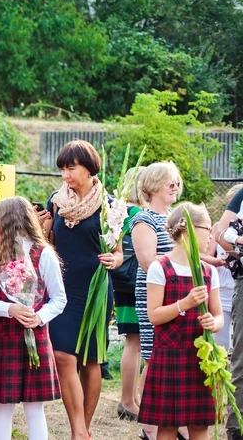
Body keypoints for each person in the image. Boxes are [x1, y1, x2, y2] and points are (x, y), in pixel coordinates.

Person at [37, 140, 122, 440]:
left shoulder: (110, 205)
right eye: (62, 169)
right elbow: (48, 243)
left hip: (95, 289)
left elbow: (120, 252)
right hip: (62, 288)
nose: (66, 176)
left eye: (71, 168)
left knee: (91, 360)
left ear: (89, 168)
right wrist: (41, 228)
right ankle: (77, 429)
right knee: (62, 355)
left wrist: (115, 258)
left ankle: (83, 430)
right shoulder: (56, 201)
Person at [0, 197, 66, 440]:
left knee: (34, 406)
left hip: (35, 338)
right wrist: (10, 309)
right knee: (2, 406)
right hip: (2, 338)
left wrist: (38, 317)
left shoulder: (44, 254)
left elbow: (59, 299)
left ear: (10, 222)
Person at [138, 203, 223, 440]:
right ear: (190, 230)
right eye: (208, 228)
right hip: (170, 357)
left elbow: (219, 317)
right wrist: (183, 304)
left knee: (200, 427)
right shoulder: (160, 268)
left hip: (200, 358)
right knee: (167, 426)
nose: (211, 235)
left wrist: (212, 323)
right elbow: (153, 315)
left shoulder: (207, 271)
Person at [129, 162, 182, 439]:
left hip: (180, 296)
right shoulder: (143, 220)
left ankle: (180, 424)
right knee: (153, 356)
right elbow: (148, 262)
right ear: (151, 187)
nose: (175, 186)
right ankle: (149, 426)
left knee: (176, 356)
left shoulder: (176, 217)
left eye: (176, 181)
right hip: (155, 294)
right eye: (168, 182)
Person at [112, 168, 143, 422]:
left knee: (132, 341)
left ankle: (131, 398)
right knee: (135, 341)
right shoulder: (137, 215)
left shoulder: (118, 211)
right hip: (135, 282)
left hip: (121, 281)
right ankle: (127, 399)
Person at [214, 185, 243, 440]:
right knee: (241, 358)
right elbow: (218, 232)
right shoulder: (242, 194)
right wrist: (238, 250)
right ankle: (237, 429)